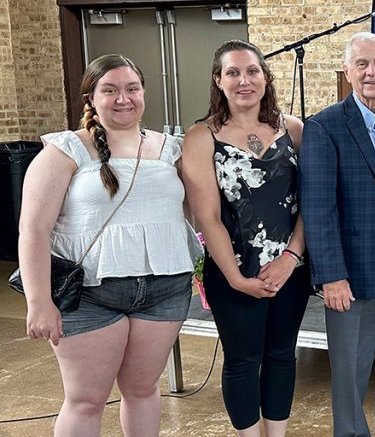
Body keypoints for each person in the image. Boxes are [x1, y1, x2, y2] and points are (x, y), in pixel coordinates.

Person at [19, 54, 200, 437]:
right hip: (89, 294)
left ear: (143, 93)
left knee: (142, 390)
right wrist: (39, 302)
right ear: (91, 98)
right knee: (86, 401)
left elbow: (203, 214)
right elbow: (33, 231)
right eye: (110, 90)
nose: (123, 99)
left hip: (165, 290)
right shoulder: (65, 150)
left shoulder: (172, 149)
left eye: (132, 88)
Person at [182, 39, 309, 437]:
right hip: (232, 272)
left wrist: (290, 257)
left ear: (265, 77)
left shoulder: (293, 129)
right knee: (242, 360)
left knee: (281, 357)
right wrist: (238, 279)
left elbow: (311, 204)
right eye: (233, 72)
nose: (244, 80)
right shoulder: (202, 137)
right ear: (218, 80)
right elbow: (208, 217)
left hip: (290, 269)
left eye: (252, 71)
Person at [300, 31, 375, 437]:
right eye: (362, 64)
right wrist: (331, 275)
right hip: (350, 276)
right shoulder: (325, 126)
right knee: (350, 374)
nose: (372, 72)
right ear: (348, 71)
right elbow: (318, 208)